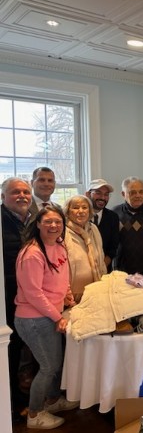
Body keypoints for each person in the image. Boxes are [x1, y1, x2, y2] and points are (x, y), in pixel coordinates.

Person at [15, 206, 79, 429]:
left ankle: (52, 400)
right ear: (38, 224)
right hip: (33, 319)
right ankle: (34, 414)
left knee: (56, 363)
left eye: (58, 222)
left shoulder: (59, 245)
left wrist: (68, 296)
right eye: (48, 222)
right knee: (48, 367)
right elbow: (33, 293)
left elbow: (62, 277)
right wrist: (57, 317)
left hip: (51, 314)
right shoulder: (31, 253)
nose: (54, 226)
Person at [1, 177, 33, 421]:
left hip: (29, 297)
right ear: (3, 196)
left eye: (25, 192)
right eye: (15, 192)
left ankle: (23, 399)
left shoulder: (33, 221)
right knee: (9, 351)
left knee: (24, 349)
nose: (22, 196)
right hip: (6, 297)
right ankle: (9, 406)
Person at [62, 195, 107, 302]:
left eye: (84, 207)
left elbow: (101, 257)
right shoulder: (62, 232)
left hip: (96, 288)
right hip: (72, 294)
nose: (81, 211)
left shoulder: (93, 228)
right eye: (75, 207)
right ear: (67, 211)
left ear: (89, 211)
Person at [85, 179, 119, 271]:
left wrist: (102, 266)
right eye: (98, 193)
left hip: (104, 270)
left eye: (106, 194)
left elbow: (113, 247)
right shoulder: (80, 217)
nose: (103, 198)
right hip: (83, 270)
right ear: (88, 194)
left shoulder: (113, 217)